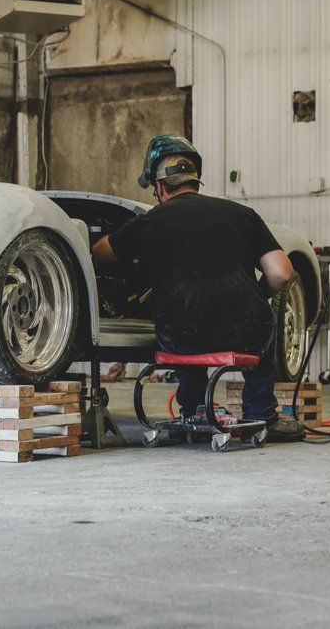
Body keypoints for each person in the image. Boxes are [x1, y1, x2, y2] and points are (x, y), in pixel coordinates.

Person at [92, 135, 305, 442]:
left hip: (181, 334)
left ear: (160, 186)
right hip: (243, 329)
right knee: (263, 319)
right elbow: (282, 273)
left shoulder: (149, 222)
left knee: (178, 323)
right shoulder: (242, 214)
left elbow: (100, 251)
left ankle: (193, 412)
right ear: (196, 180)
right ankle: (262, 416)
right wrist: (258, 298)